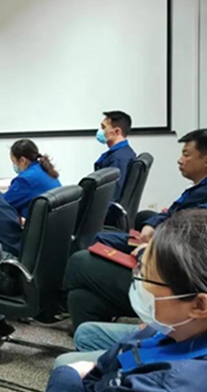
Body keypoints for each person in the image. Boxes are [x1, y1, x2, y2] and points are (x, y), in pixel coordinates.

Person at [40, 209, 207, 392]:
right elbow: (115, 360)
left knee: (64, 365)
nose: (138, 282)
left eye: (147, 276)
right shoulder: (174, 327)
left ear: (199, 306)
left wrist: (67, 375)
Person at [63, 130, 207, 330]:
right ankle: (100, 343)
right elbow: (172, 213)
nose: (179, 160)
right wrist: (152, 225)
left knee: (80, 261)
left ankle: (50, 304)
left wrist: (148, 251)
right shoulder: (199, 188)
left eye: (186, 154)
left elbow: (188, 249)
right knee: (81, 297)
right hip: (163, 259)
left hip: (173, 284)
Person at [4, 139, 61, 219]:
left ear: (23, 160)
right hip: (54, 221)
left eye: (13, 161)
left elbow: (3, 203)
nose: (14, 165)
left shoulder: (25, 180)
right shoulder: (44, 169)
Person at [94, 110, 136, 203]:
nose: (100, 131)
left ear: (117, 131)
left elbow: (112, 197)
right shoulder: (124, 152)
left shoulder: (117, 159)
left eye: (103, 127)